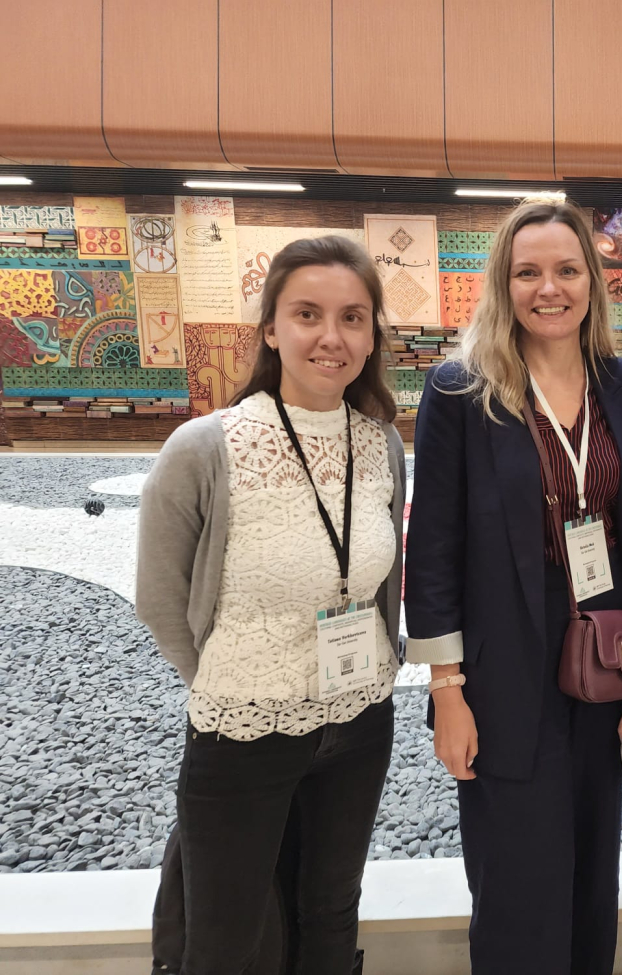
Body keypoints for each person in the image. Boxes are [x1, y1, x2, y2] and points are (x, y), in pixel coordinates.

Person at [137, 236, 406, 975]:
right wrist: (227, 678)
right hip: (244, 728)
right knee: (226, 933)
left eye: (352, 317)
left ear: (372, 335)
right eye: (307, 314)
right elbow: (160, 597)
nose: (331, 337)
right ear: (270, 328)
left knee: (331, 910)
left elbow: (381, 584)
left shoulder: (380, 445)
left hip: (359, 720)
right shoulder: (205, 448)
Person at [403, 199, 622, 974]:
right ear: (503, 284)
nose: (550, 288)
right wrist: (447, 689)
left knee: (591, 867)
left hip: (600, 646)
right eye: (529, 272)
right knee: (517, 877)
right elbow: (431, 549)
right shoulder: (461, 391)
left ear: (592, 282)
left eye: (568, 270)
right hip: (503, 663)